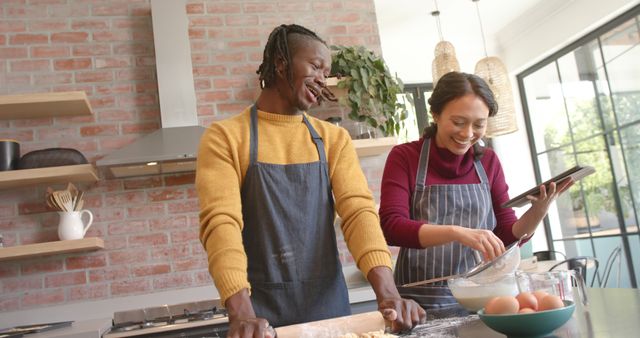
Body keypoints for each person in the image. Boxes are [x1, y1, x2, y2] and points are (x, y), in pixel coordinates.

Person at [196, 24, 426, 337]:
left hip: (330, 314)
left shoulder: (333, 139)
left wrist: (389, 294)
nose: (322, 78)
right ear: (281, 64)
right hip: (259, 319)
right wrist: (242, 314)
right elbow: (221, 224)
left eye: (326, 71)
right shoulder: (226, 137)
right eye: (315, 66)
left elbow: (358, 213)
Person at [378, 71, 573, 311]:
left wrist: (538, 211)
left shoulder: (488, 161)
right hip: (419, 302)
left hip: (482, 295)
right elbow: (392, 227)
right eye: (458, 122)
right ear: (435, 114)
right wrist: (457, 232)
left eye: (479, 124)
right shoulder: (405, 157)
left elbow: (504, 236)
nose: (468, 133)